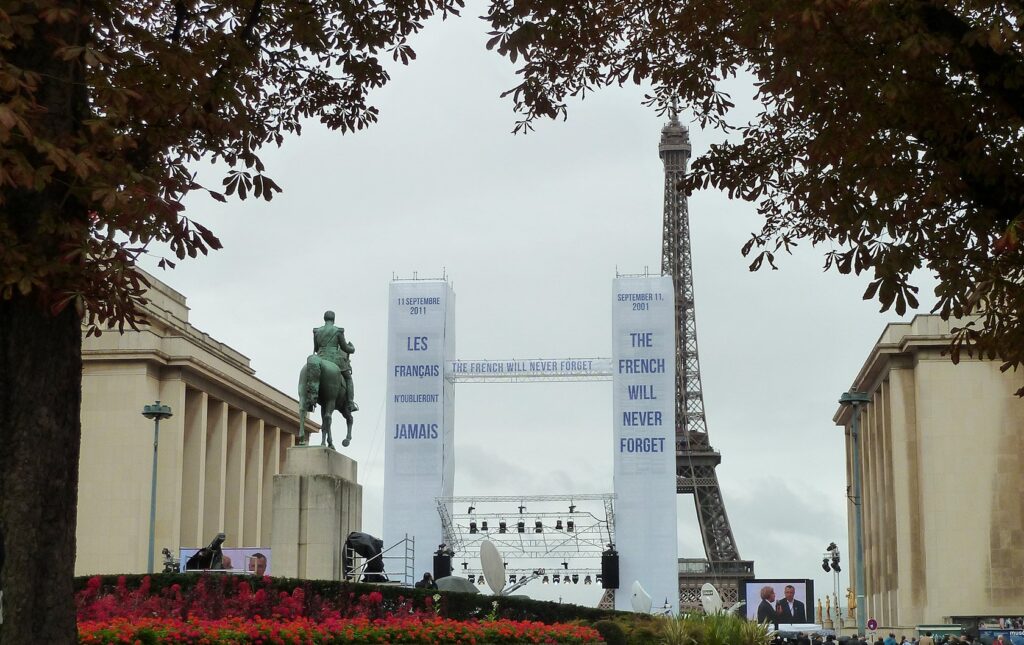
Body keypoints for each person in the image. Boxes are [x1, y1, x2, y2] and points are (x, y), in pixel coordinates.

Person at [313, 310, 358, 412]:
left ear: (324, 319)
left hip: (320, 358)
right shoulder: (338, 331)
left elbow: (316, 348)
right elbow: (345, 348)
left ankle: (310, 398)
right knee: (348, 378)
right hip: (335, 360)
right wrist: (352, 348)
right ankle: (350, 403)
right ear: (333, 319)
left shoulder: (317, 331)